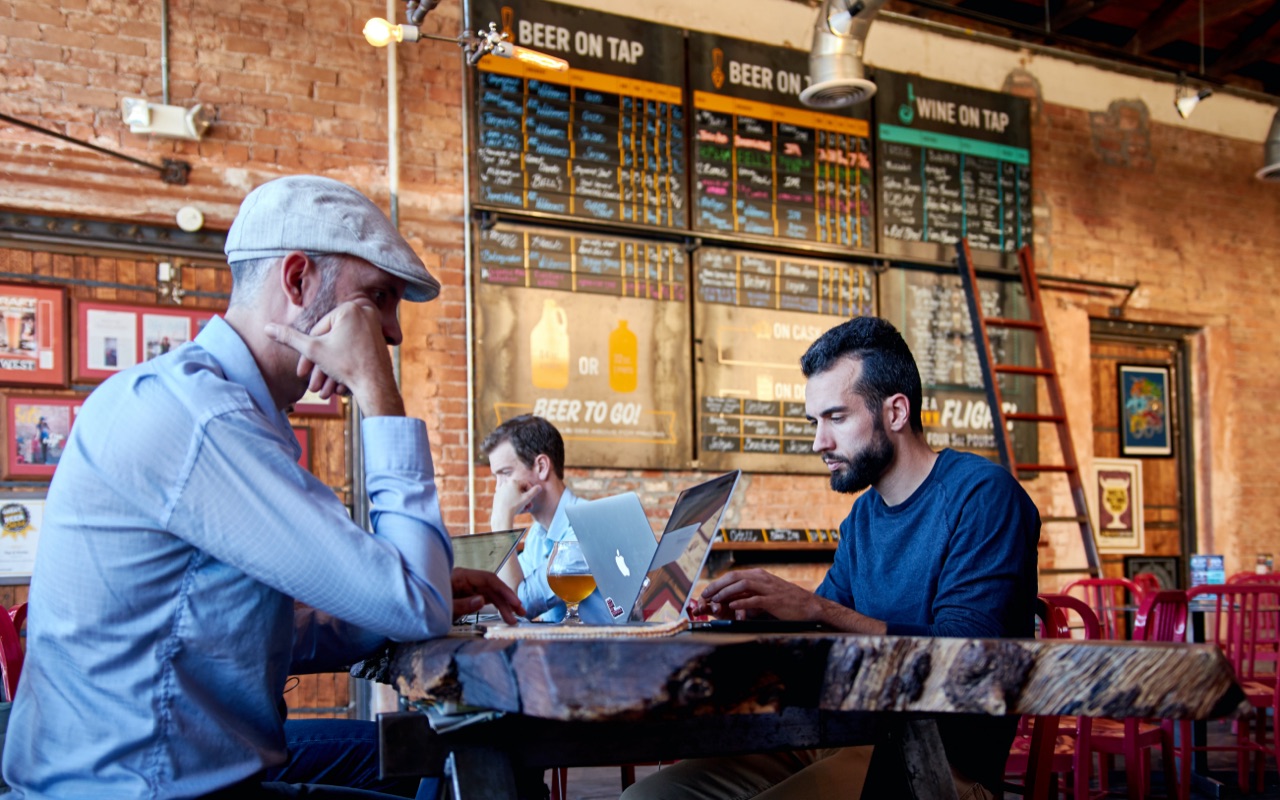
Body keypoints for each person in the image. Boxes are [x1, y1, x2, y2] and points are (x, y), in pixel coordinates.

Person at [2, 175, 523, 800]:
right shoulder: (205, 420)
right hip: (144, 790)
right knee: (476, 767)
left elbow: (243, 634)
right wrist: (380, 398)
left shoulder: (217, 408)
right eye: (378, 298)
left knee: (433, 751)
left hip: (148, 774)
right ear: (297, 279)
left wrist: (397, 605)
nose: (392, 334)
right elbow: (415, 601)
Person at [623, 316, 1040, 800]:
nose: (819, 442)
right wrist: (753, 614)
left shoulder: (983, 496)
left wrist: (816, 608)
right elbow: (822, 632)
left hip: (938, 759)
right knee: (646, 798)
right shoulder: (862, 517)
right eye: (814, 422)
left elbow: (966, 657)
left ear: (896, 412)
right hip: (838, 733)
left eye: (836, 418)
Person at [481, 414, 611, 624]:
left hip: (607, 653)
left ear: (541, 466)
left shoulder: (587, 525)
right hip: (566, 651)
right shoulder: (537, 535)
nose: (498, 489)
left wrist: (501, 521)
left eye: (505, 473)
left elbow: (518, 607)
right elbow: (502, 591)